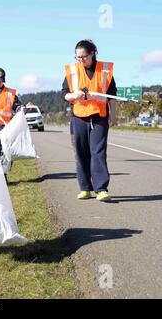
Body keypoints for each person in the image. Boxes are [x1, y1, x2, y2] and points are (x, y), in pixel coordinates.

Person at [61, 39, 117, 202]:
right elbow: (64, 93)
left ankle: (101, 189)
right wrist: (72, 95)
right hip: (78, 117)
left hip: (99, 116)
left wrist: (113, 115)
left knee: (98, 152)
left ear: (92, 54)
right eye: (77, 57)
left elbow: (112, 95)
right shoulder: (72, 71)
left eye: (83, 57)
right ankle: (85, 188)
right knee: (81, 152)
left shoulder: (105, 70)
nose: (80, 60)